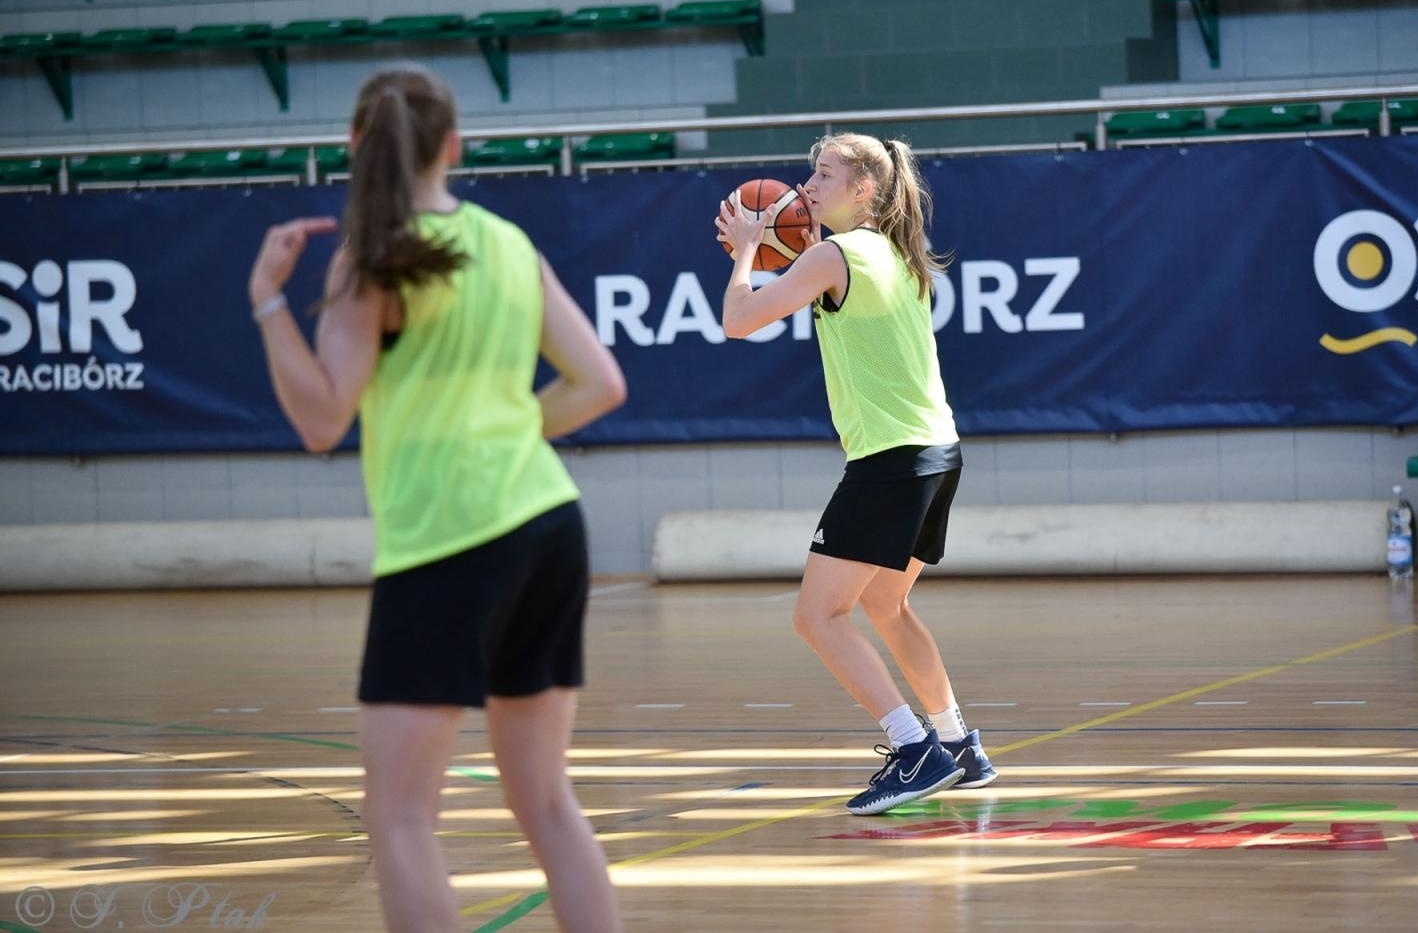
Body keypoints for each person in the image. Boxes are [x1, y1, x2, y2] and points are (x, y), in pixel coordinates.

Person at [247, 63, 626, 931]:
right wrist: (506, 426)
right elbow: (600, 381)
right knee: (547, 803)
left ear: (354, 145)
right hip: (548, 523)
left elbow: (319, 418)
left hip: (447, 542)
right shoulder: (506, 242)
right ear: (454, 146)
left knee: (402, 816)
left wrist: (268, 301)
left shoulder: (369, 261)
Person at [716, 132, 997, 815]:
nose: (809, 183)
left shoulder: (833, 255)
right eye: (810, 172)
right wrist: (796, 235)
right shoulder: (893, 252)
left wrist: (751, 249)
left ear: (865, 188)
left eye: (825, 172)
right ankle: (959, 743)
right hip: (938, 452)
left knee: (818, 615)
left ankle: (913, 748)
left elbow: (737, 319)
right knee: (885, 604)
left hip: (892, 460)